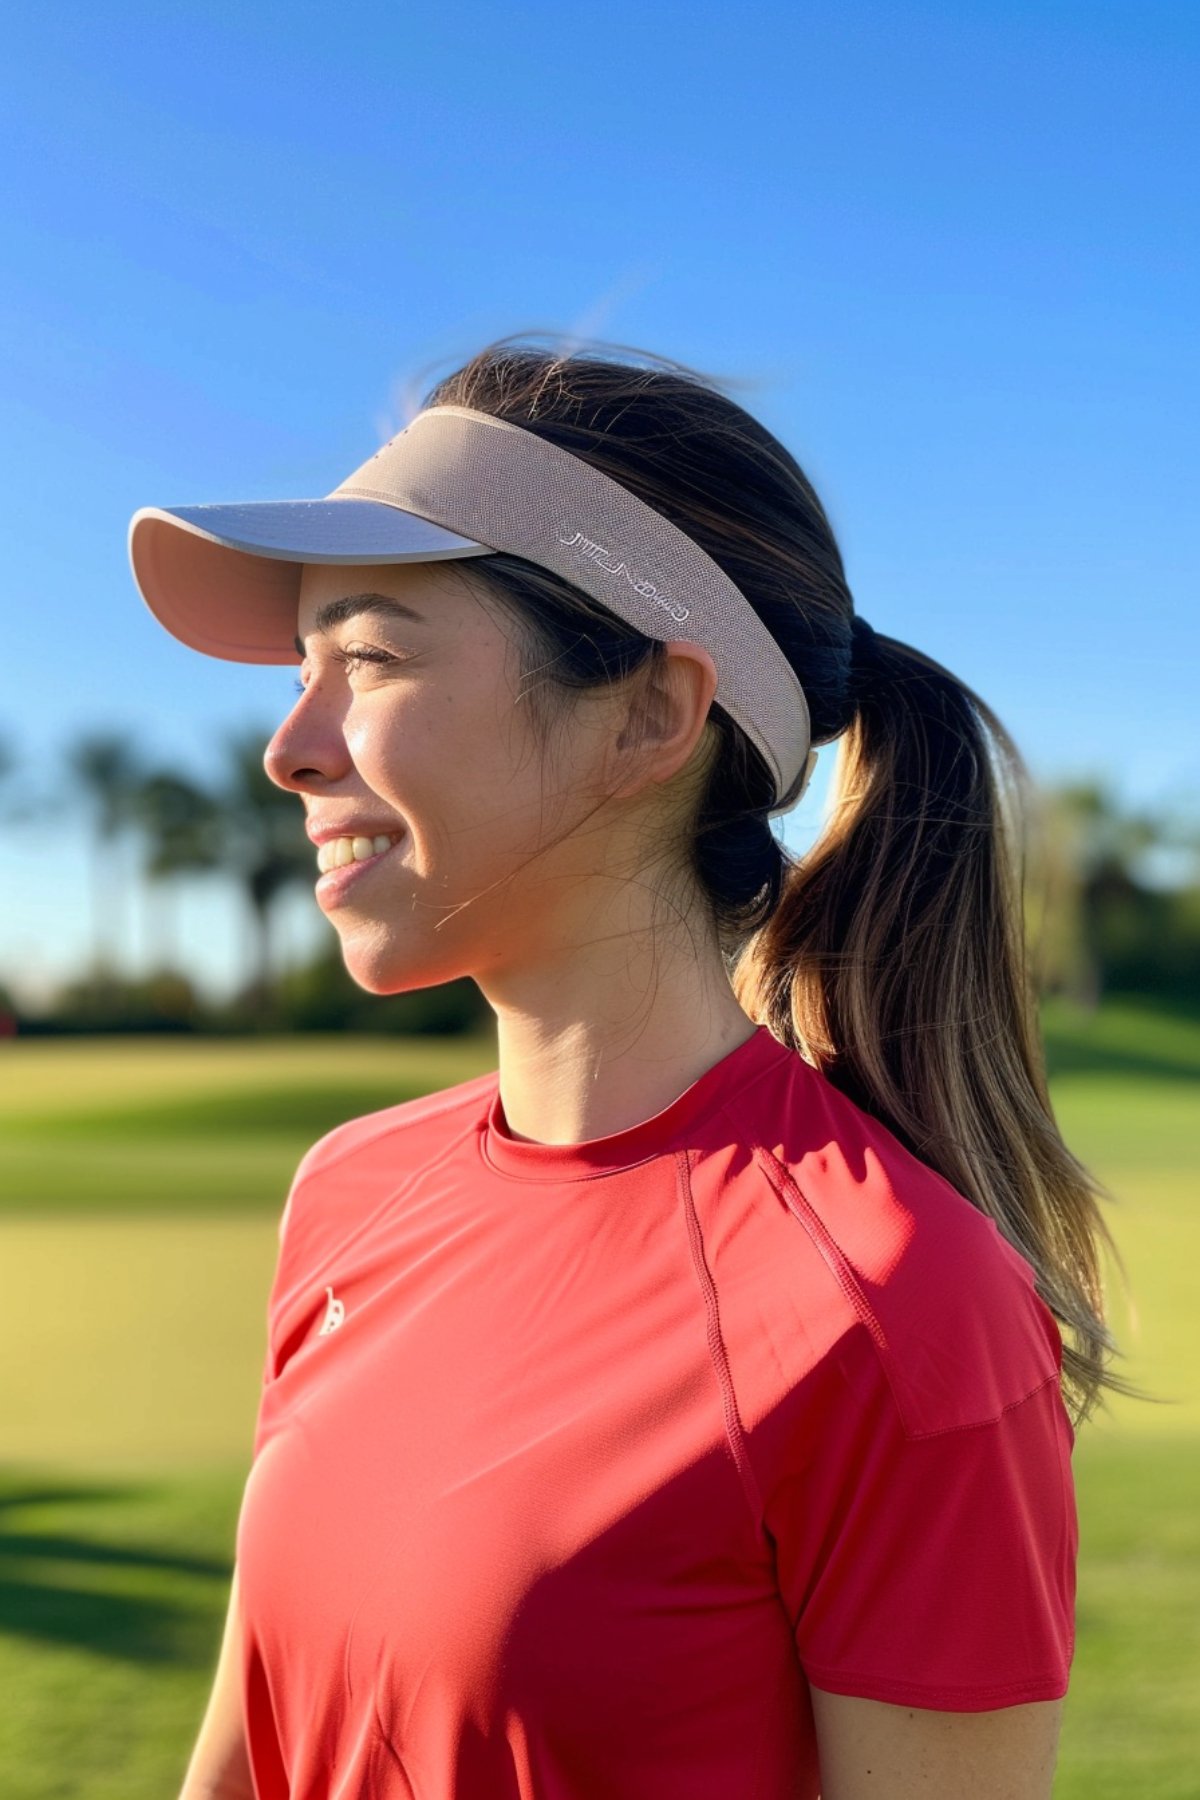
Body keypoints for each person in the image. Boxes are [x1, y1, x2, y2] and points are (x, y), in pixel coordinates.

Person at [128, 334, 1134, 1800]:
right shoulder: (347, 1189)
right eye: (300, 670)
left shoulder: (897, 1309)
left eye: (371, 657)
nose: (291, 746)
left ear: (654, 714)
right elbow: (249, 1751)